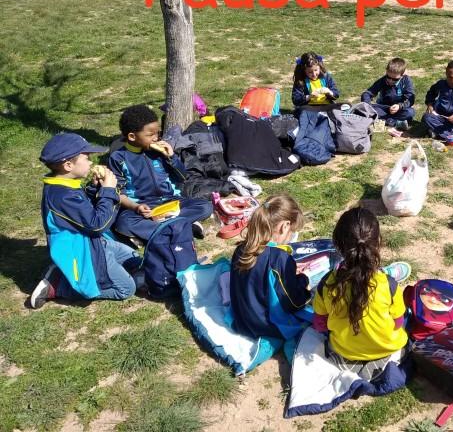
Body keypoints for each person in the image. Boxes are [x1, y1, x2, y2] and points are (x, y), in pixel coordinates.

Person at [30, 133, 143, 308]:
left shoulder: (66, 185)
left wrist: (94, 188)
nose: (91, 162)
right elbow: (97, 225)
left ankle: (77, 271)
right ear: (68, 165)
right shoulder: (62, 196)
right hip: (83, 251)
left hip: (95, 243)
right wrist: (108, 191)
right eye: (87, 157)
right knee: (126, 289)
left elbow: (83, 211)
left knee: (136, 260)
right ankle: (58, 285)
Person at [313, 208, 408, 380]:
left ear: (337, 244)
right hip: (386, 349)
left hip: (344, 351)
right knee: (407, 316)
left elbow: (320, 325)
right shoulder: (388, 285)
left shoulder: (327, 284)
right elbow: (398, 323)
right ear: (378, 242)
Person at [108, 104, 213, 241]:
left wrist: (171, 157)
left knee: (205, 206)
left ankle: (162, 228)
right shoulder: (118, 158)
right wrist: (136, 207)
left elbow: (182, 177)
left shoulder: (159, 152)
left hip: (170, 201)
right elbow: (118, 193)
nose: (156, 138)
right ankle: (180, 225)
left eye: (157, 133)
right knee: (123, 224)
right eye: (150, 135)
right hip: (144, 207)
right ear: (132, 136)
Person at [230, 194, 312, 341]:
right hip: (265, 327)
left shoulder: (241, 248)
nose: (291, 237)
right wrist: (303, 281)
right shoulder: (279, 258)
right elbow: (293, 303)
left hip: (241, 321)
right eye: (292, 232)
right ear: (284, 226)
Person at [361, 57, 416, 131]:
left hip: (399, 109)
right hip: (384, 108)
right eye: (388, 77)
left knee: (410, 112)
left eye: (395, 79)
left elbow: (410, 99)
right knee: (367, 109)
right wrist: (367, 106)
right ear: (386, 71)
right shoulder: (383, 80)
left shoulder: (406, 81)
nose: (390, 80)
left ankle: (382, 120)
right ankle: (395, 122)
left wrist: (399, 106)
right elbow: (367, 93)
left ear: (402, 75)